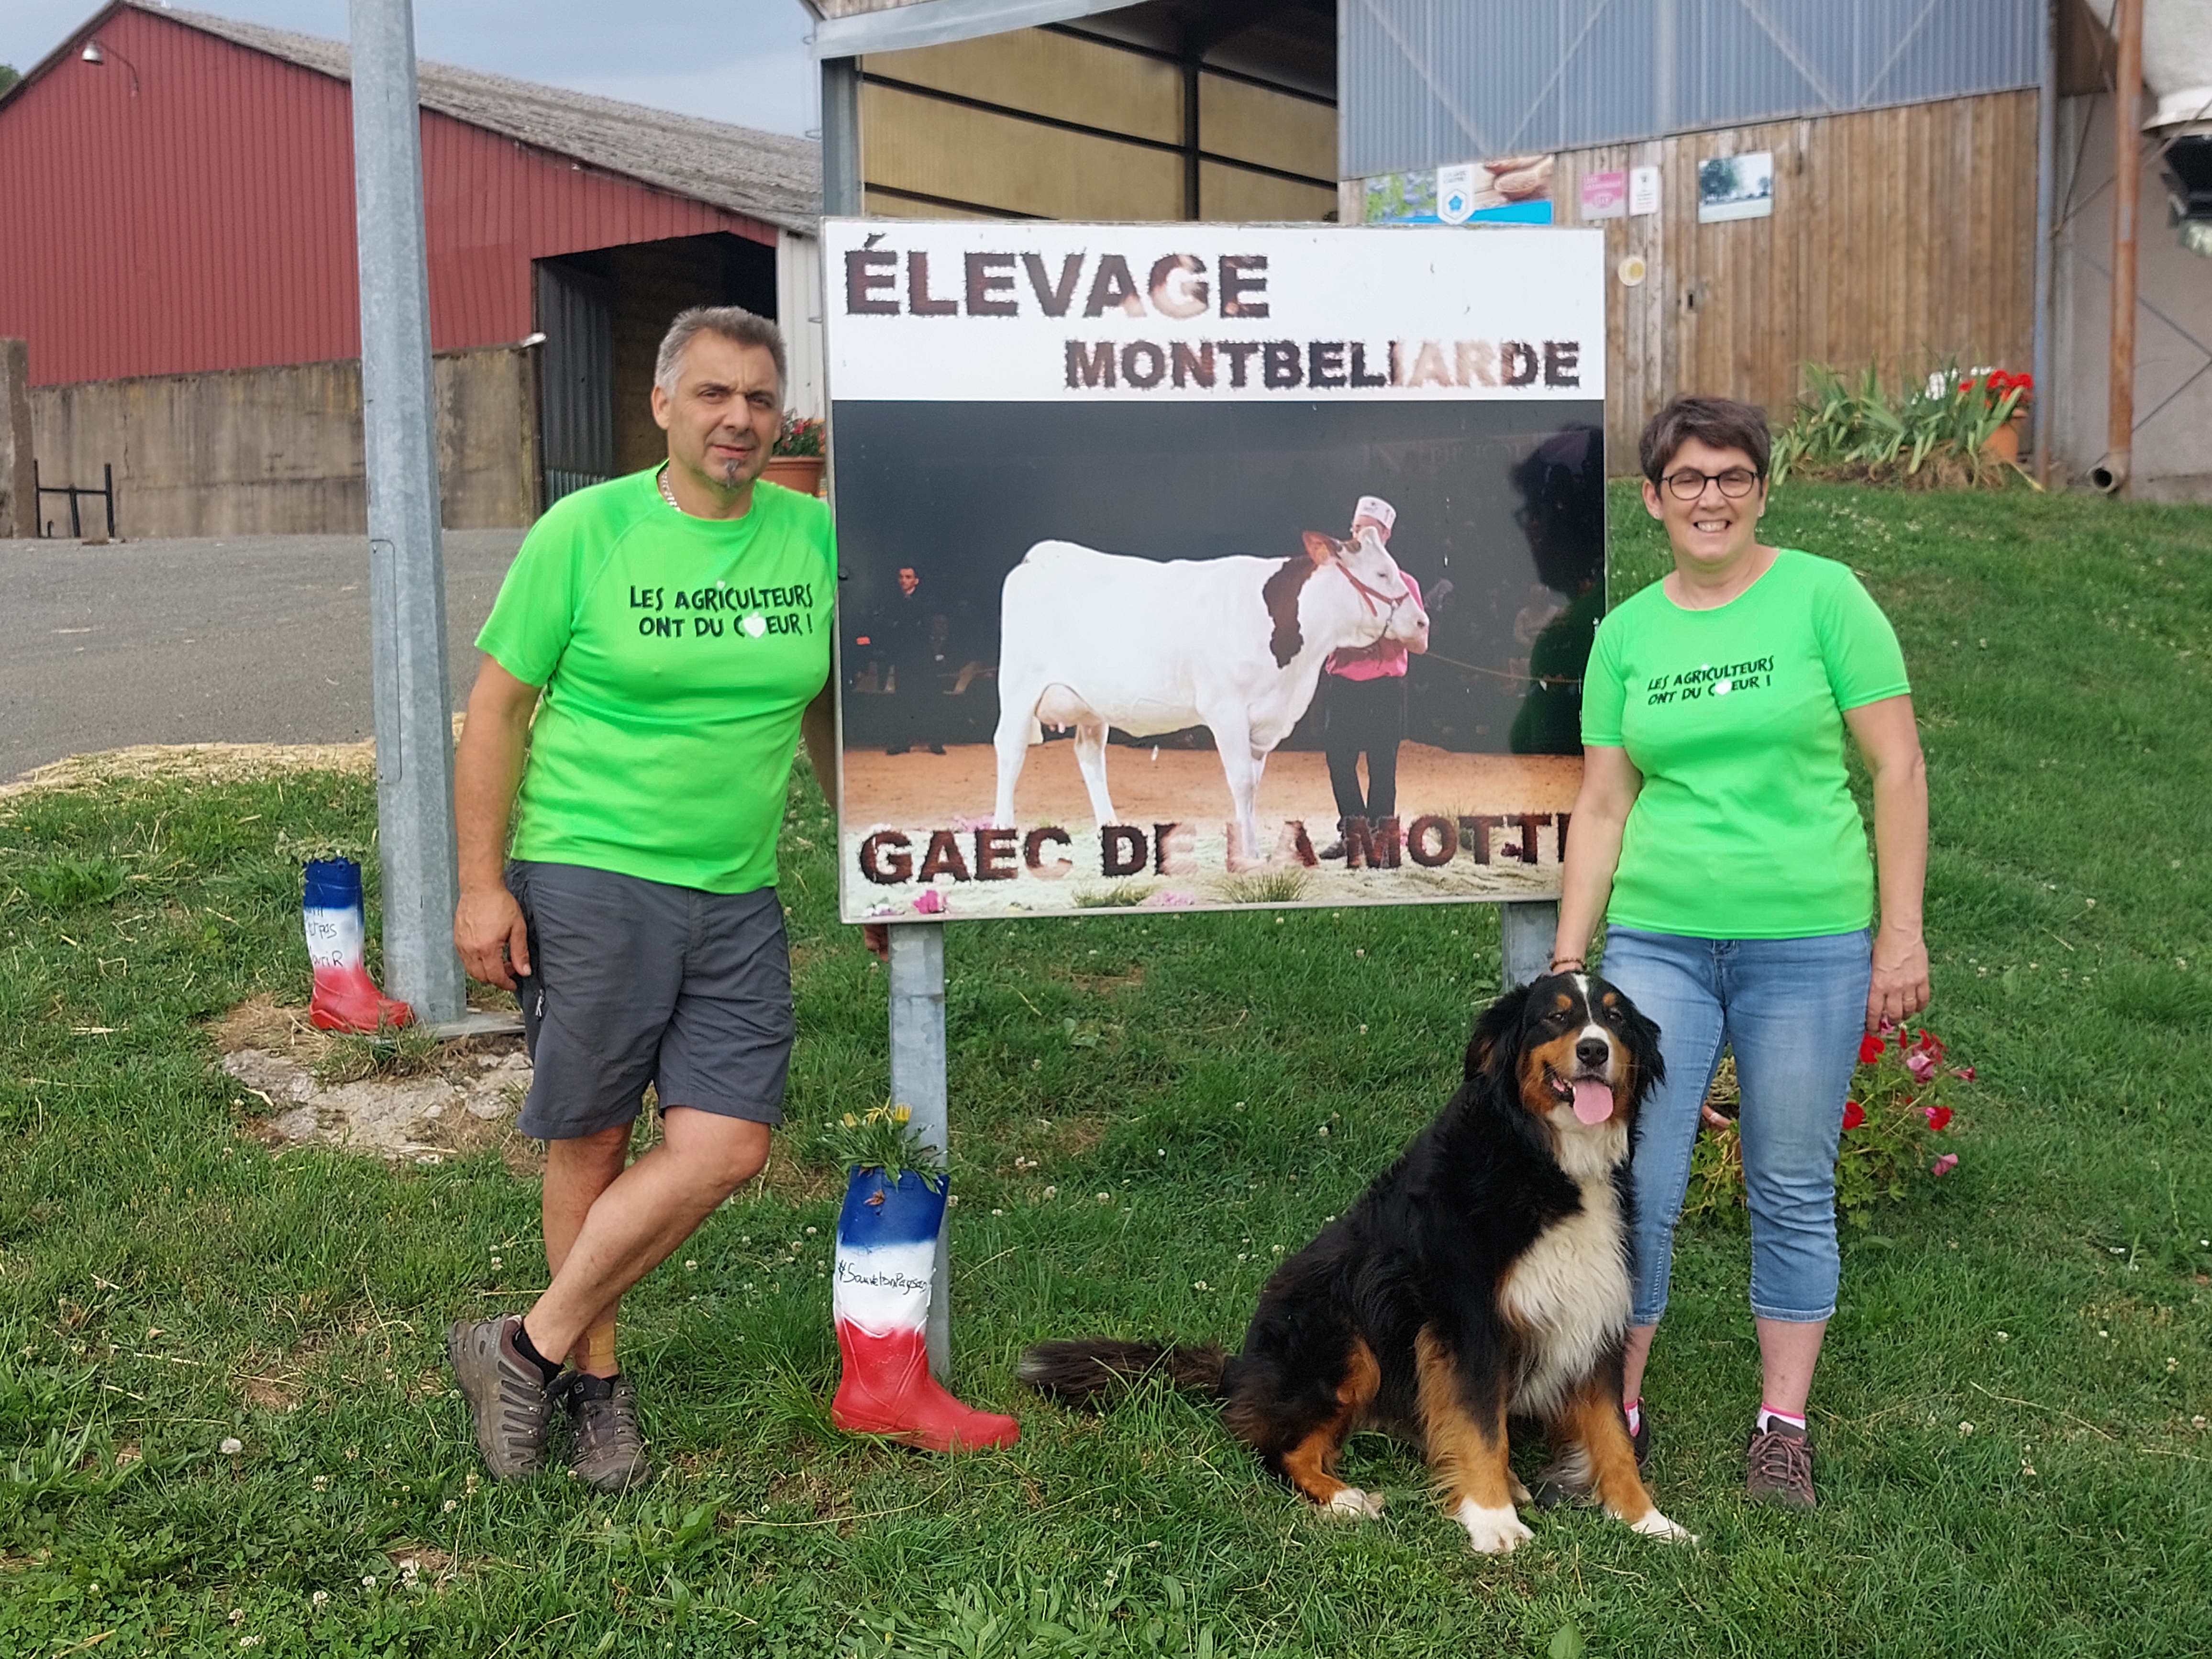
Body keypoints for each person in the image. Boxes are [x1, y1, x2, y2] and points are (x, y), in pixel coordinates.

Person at [444, 306, 836, 1492]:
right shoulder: (588, 529)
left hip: (734, 889)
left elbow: (819, 705)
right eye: (714, 395)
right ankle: (599, 1390)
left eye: (760, 400)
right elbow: (498, 709)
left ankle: (524, 1345)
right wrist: (478, 885)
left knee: (726, 1145)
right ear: (662, 405)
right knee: (597, 1134)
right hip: (591, 870)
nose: (739, 420)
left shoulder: (810, 539)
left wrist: (873, 857)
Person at [1549, 395, 1929, 1510]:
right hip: (1657, 942)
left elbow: (1897, 770)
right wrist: (1573, 960)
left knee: (1790, 1182)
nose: (1708, 497)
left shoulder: (1823, 597)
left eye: (1729, 476)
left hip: (1804, 940)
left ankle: (1780, 1428)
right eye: (1686, 478)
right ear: (1653, 496)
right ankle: (1611, 1416)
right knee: (1631, 1184)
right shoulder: (1626, 634)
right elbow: (1603, 802)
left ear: (1761, 488)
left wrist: (1897, 932)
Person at [1319, 496, 1425, 858]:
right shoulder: (1336, 581)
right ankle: (1354, 833)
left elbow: (1422, 642)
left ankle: (1381, 840)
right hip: (1344, 683)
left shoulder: (1403, 583)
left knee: (1383, 764)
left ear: (1386, 534)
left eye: (1368, 530)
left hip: (1384, 685)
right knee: (1338, 760)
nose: (1359, 536)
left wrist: (1393, 630)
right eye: (1354, 529)